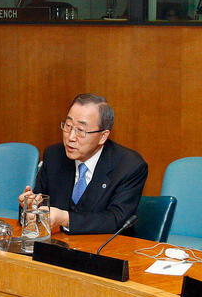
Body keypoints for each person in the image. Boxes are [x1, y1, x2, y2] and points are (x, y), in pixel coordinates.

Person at [18, 93, 147, 235]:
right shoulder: (54, 155)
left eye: (80, 130)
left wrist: (66, 219)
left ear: (103, 136)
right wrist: (29, 208)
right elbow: (40, 205)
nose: (71, 137)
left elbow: (117, 220)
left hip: (106, 246)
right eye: (68, 126)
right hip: (57, 243)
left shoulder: (129, 166)